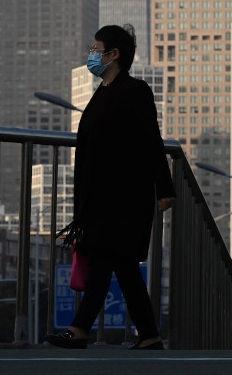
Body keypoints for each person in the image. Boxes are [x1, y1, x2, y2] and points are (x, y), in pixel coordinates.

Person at [44, 25, 175, 350]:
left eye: (96, 48)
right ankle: (149, 335)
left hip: (124, 198)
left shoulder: (134, 91)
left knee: (105, 260)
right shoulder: (101, 92)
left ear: (113, 54)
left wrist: (164, 187)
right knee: (123, 266)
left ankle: (79, 329)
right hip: (100, 198)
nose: (91, 54)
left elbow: (150, 140)